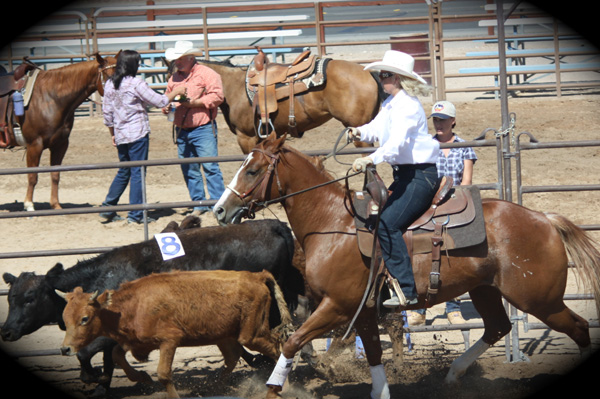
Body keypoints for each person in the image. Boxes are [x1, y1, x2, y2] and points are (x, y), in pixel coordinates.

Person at [346, 50, 440, 307]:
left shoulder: (408, 107)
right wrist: (357, 131)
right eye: (380, 75)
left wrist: (370, 159)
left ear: (397, 79)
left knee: (387, 223)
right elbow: (375, 128)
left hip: (420, 176)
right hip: (406, 175)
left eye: (384, 75)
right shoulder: (391, 104)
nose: (380, 79)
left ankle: (407, 291)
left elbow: (396, 144)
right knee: (378, 219)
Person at [406, 100, 478, 326]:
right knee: (418, 245)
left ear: (453, 121)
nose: (439, 124)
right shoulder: (426, 144)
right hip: (428, 199)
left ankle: (453, 305)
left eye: (444, 120)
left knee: (454, 250)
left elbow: (466, 179)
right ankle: (418, 305)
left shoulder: (464, 146)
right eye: (436, 120)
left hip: (454, 200)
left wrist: (457, 198)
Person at [100, 50, 186, 224]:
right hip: (137, 133)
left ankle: (108, 208)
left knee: (124, 171)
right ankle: (136, 215)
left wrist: (113, 135)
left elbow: (107, 115)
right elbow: (160, 101)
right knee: (138, 173)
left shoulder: (109, 84)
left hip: (121, 134)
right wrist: (177, 91)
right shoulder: (135, 83)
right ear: (133, 65)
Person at [163, 40, 226, 216]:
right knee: (189, 167)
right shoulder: (174, 78)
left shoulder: (207, 74)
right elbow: (166, 97)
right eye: (176, 59)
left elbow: (218, 96)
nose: (177, 62)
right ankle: (199, 203)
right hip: (183, 129)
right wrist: (166, 107)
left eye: (180, 58)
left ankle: (217, 203)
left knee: (210, 166)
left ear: (191, 58)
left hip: (202, 127)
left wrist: (196, 103)